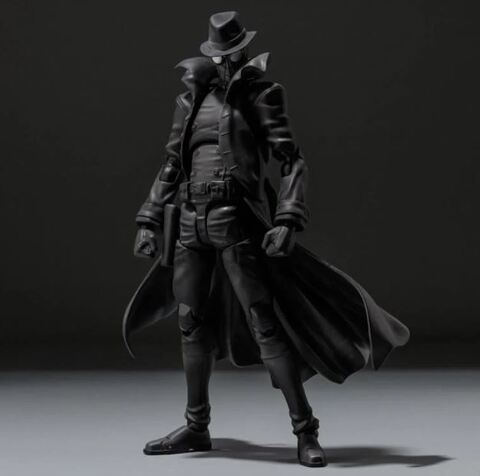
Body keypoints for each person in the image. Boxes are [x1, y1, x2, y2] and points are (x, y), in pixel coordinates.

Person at [124, 11, 410, 468]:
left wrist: (287, 219)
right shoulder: (190, 100)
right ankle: (197, 426)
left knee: (265, 323)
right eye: (217, 55)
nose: (224, 62)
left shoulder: (261, 95)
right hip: (191, 220)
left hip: (234, 220)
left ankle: (305, 430)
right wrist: (148, 218)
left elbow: (291, 160)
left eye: (230, 54)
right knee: (191, 322)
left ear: (242, 52)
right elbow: (171, 164)